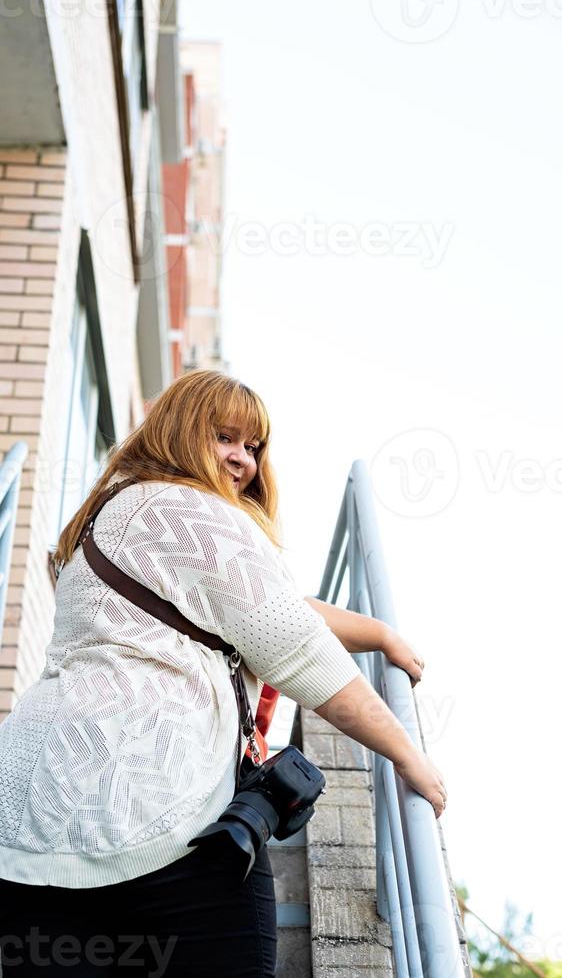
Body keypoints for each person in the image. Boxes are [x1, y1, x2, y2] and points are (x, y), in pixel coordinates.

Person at [0, 370, 447, 977]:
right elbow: (293, 646)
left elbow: (262, 608)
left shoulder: (112, 514)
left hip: (29, 820)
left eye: (254, 447)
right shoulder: (192, 510)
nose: (243, 460)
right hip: (154, 811)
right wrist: (406, 752)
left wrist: (379, 632)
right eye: (225, 438)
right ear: (181, 432)